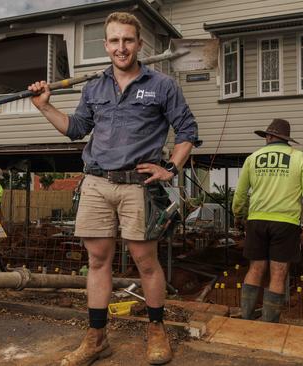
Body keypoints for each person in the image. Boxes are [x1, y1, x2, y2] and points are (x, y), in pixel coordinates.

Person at [27, 12, 200, 366]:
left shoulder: (162, 85)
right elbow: (76, 128)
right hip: (96, 182)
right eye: (115, 41)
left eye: (128, 40)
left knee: (145, 263)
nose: (121, 47)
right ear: (106, 45)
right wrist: (45, 107)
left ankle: (156, 331)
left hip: (138, 185)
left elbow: (187, 130)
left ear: (139, 44)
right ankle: (96, 338)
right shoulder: (95, 87)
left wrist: (170, 168)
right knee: (97, 261)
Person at [232, 119, 303, 323]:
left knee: (255, 269)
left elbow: (240, 194)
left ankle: (246, 317)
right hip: (285, 223)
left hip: (256, 220)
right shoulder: (299, 158)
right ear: (286, 139)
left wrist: (238, 215)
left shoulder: (253, 158)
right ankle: (269, 322)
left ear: (268, 137)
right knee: (278, 273)